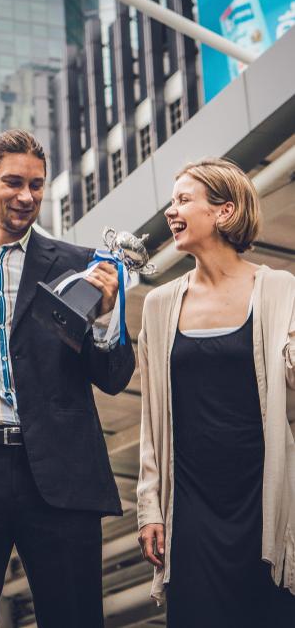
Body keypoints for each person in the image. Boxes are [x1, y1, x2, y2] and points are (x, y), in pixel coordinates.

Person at [0, 129, 135, 628]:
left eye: (36, 185)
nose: (26, 196)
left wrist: (103, 318)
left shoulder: (80, 266)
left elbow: (115, 377)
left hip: (60, 473)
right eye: (13, 182)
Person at [137, 157, 295, 627]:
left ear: (224, 213)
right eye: (172, 200)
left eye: (184, 199)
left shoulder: (278, 289)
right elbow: (151, 417)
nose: (171, 210)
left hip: (262, 494)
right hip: (189, 506)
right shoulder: (159, 305)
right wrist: (150, 505)